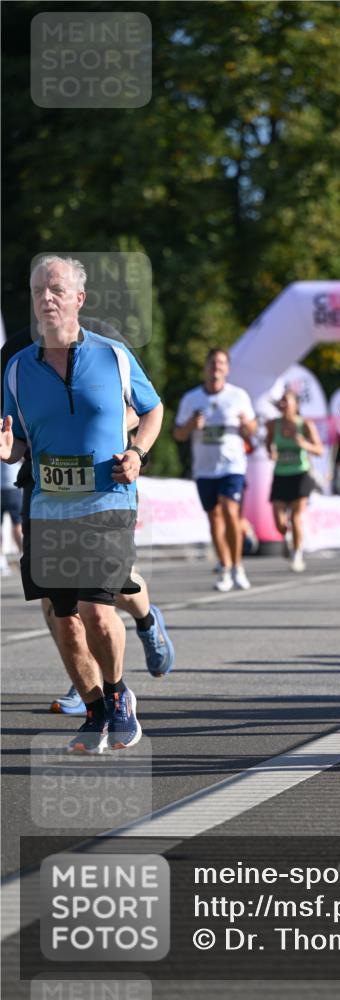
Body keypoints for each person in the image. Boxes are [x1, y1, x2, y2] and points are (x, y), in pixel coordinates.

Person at [1, 255, 164, 753]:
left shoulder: (114, 355)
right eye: (37, 290)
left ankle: (118, 696)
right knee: (62, 617)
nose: (45, 298)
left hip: (108, 497)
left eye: (55, 289)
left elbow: (152, 409)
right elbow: (18, 441)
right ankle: (95, 709)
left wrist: (136, 453)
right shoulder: (16, 368)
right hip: (49, 505)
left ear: (78, 299)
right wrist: (9, 451)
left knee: (97, 611)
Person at [174, 348, 257, 591]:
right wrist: (192, 424)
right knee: (214, 518)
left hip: (232, 465)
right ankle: (225, 566)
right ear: (205, 367)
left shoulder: (238, 396)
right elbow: (179, 434)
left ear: (227, 369)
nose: (216, 368)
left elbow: (252, 429)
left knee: (230, 511)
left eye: (221, 363)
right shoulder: (191, 399)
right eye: (212, 363)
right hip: (205, 469)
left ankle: (237, 567)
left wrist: (246, 424)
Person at [265, 389, 323, 572]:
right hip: (281, 473)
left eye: (286, 401)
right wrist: (271, 451)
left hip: (301, 473)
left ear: (295, 405)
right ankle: (287, 539)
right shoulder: (273, 425)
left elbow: (319, 450)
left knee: (296, 516)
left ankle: (297, 555)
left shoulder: (305, 424)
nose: (282, 404)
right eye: (281, 401)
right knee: (279, 522)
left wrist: (304, 444)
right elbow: (268, 443)